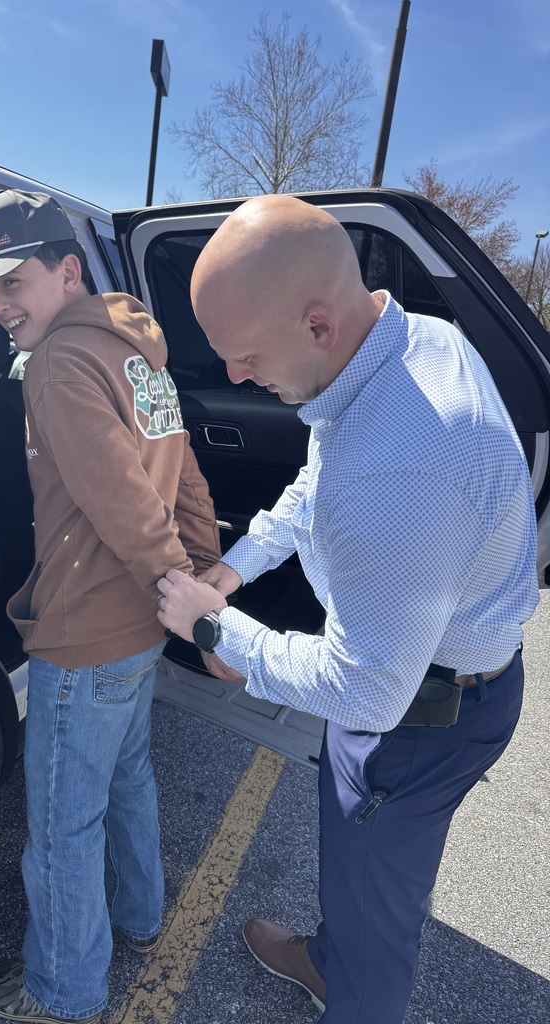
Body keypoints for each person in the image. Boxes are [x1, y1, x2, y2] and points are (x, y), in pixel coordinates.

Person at [155, 194, 539, 1024]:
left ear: (318, 325)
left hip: (422, 719)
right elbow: (318, 480)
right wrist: (233, 567)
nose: (232, 378)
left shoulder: (403, 471)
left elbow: (369, 692)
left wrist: (218, 631)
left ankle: (352, 982)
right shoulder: (403, 344)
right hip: (428, 682)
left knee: (379, 927)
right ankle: (331, 956)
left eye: (245, 356)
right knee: (357, 862)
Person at [0, 190, 221, 1024]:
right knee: (129, 775)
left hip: (87, 630)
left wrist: (197, 606)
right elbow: (186, 478)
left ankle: (62, 992)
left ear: (67, 271)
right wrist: (199, 575)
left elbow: (122, 506)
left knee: (65, 828)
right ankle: (141, 917)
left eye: (14, 282)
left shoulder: (61, 365)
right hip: (138, 631)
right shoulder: (138, 353)